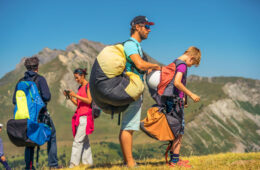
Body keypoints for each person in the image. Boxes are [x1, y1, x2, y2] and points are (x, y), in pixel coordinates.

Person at [119, 15, 161, 168]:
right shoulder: (131, 44)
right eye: (146, 26)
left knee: (127, 125)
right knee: (129, 126)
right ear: (137, 27)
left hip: (132, 88)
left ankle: (126, 161)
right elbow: (139, 63)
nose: (149, 30)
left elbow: (139, 66)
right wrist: (156, 67)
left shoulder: (135, 45)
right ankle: (130, 164)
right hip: (132, 89)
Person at [12, 57, 60, 170]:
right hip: (40, 115)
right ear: (37, 68)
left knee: (29, 140)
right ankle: (53, 165)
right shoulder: (40, 79)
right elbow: (47, 97)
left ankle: (29, 167)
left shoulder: (20, 82)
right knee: (52, 135)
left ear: (26, 67)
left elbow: (14, 101)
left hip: (25, 118)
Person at [168, 46, 201, 167]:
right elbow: (177, 82)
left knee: (174, 131)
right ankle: (175, 162)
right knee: (179, 132)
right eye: (192, 64)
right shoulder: (182, 65)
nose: (190, 66)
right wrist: (191, 94)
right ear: (191, 58)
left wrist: (184, 98)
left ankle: (174, 159)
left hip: (171, 100)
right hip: (176, 103)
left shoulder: (174, 62)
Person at [64, 68, 94, 168]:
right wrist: (71, 97)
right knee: (85, 141)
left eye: (77, 78)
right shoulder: (80, 88)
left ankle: (73, 165)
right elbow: (78, 104)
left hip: (86, 116)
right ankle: (88, 163)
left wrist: (76, 95)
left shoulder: (88, 86)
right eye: (75, 78)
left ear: (82, 76)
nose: (76, 80)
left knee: (77, 141)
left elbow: (89, 101)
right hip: (80, 116)